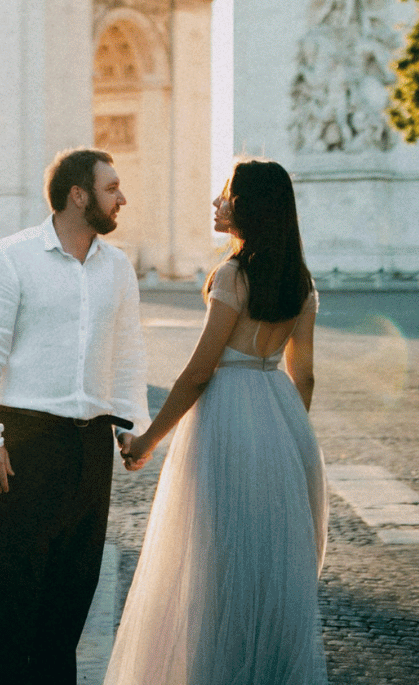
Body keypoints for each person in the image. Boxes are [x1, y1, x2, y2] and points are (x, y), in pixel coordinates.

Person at [104, 158, 328, 685]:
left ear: (248, 207)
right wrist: (283, 436)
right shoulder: (301, 279)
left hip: (227, 418)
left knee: (212, 570)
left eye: (226, 193)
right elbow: (308, 376)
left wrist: (147, 441)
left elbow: (200, 371)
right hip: (280, 418)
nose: (216, 201)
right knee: (266, 577)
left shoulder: (233, 275)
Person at [0, 146, 151, 685]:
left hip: (92, 452)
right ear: (78, 195)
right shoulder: (9, 257)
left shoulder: (118, 267)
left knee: (66, 617)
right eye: (112, 189)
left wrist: (136, 426)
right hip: (25, 446)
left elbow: (128, 351)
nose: (122, 198)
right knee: (11, 613)